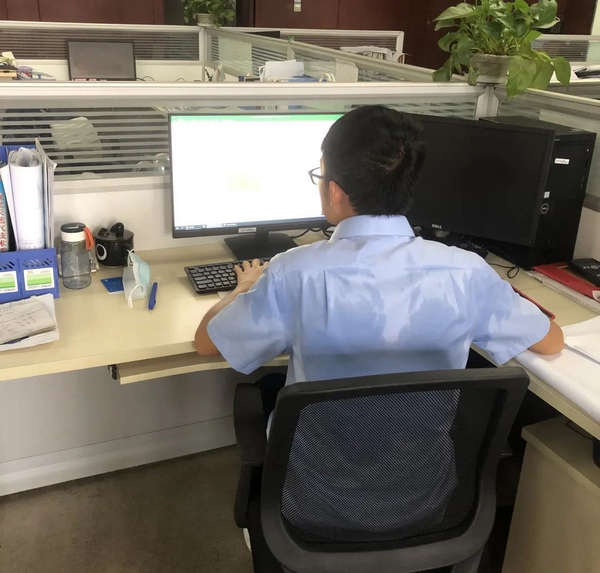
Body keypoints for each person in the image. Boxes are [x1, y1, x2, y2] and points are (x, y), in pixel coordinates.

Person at [194, 105, 564, 535]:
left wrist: (241, 289)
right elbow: (552, 342)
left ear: (334, 191)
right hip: (426, 501)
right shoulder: (467, 272)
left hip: (311, 504)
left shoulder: (293, 273)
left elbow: (207, 343)